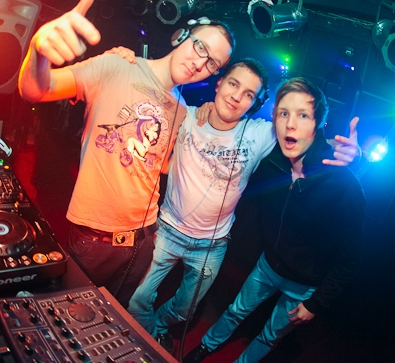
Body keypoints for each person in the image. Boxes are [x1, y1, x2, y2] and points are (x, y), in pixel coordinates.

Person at [17, 0, 235, 306]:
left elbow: (159, 165)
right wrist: (38, 51)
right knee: (69, 312)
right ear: (182, 36)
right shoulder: (118, 65)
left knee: (112, 320)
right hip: (95, 238)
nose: (200, 63)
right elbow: (36, 89)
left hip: (144, 241)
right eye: (201, 47)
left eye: (213, 64)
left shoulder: (183, 110)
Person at [124, 57, 361, 351]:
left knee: (185, 310)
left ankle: (158, 327)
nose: (237, 96)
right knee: (137, 299)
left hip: (211, 245)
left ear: (256, 103)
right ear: (219, 84)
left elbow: (307, 140)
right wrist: (129, 60)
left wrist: (350, 153)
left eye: (248, 94)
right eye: (233, 84)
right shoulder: (187, 115)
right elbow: (146, 97)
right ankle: (148, 339)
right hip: (168, 231)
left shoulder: (262, 134)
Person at [184, 77, 366, 363]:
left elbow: (351, 259)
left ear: (319, 123)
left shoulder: (344, 185)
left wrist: (316, 303)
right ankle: (206, 346)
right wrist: (210, 110)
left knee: (270, 335)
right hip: (268, 264)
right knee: (235, 311)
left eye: (303, 115)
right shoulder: (270, 161)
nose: (290, 124)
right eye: (283, 113)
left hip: (304, 283)